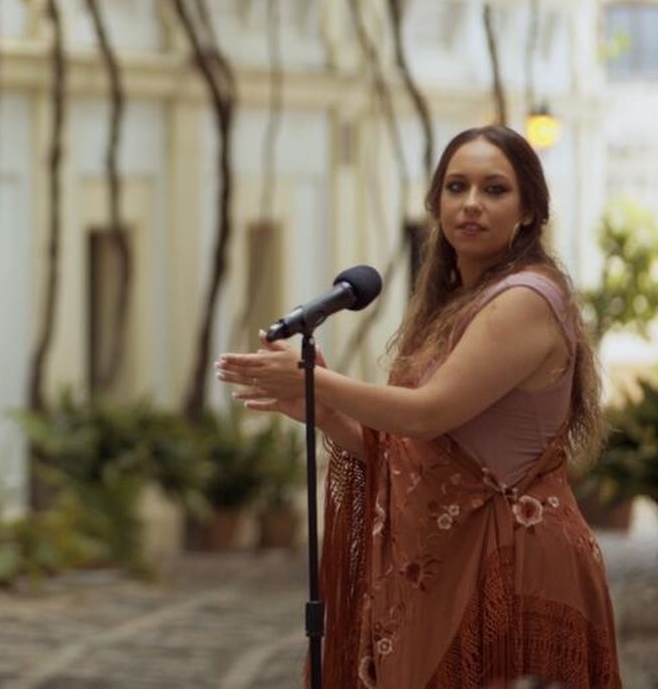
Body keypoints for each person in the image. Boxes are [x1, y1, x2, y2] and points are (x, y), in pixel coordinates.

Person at [218, 125, 621, 688]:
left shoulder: (527, 299)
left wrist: (316, 382)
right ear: (437, 205)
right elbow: (415, 450)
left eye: (495, 189)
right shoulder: (455, 303)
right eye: (456, 187)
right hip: (450, 566)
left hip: (512, 565)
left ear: (529, 211)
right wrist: (321, 407)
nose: (471, 204)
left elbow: (427, 413)